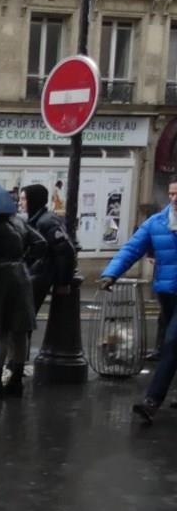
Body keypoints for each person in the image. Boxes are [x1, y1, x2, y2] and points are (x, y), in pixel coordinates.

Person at [99, 180, 177, 424]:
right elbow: (132, 248)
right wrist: (111, 272)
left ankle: (152, 401)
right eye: (172, 193)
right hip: (167, 292)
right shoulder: (157, 222)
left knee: (172, 342)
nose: (174, 198)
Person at [0, 209, 41, 399]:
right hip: (21, 275)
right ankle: (16, 380)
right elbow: (41, 243)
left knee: (0, 332)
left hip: (0, 279)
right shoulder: (19, 222)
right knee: (19, 331)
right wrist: (24, 259)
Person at [21, 183, 76, 316]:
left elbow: (65, 251)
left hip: (39, 276)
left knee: (24, 318)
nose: (20, 202)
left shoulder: (46, 222)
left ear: (34, 200)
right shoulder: (35, 220)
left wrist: (63, 282)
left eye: (23, 199)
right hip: (34, 274)